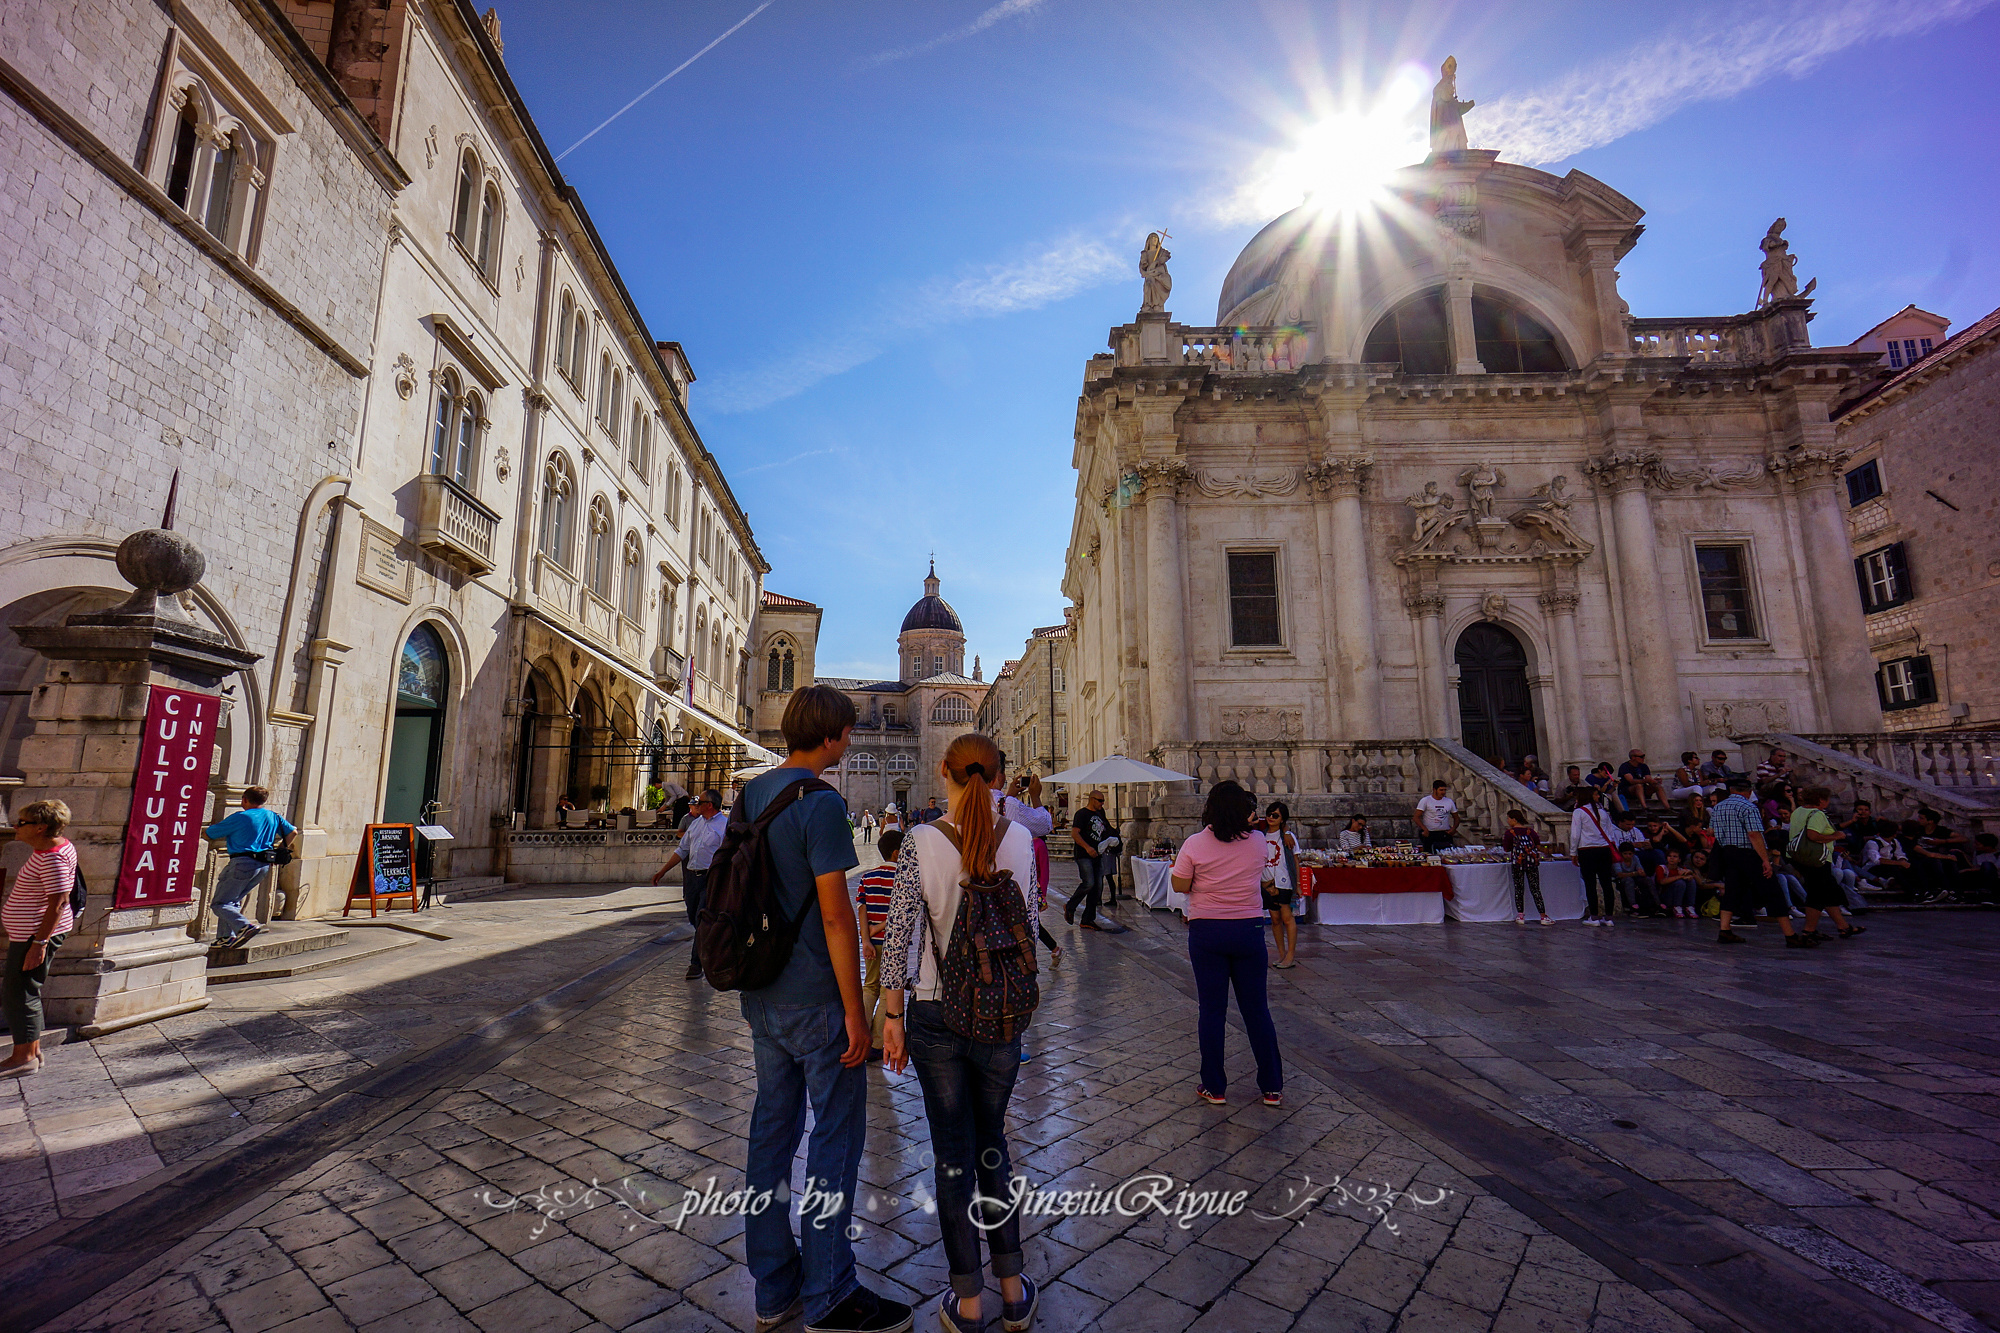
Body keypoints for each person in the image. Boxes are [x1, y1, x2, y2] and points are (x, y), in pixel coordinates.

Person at [734, 687, 908, 1333]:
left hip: (763, 994)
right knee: (834, 1139)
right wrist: (856, 1011)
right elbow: (838, 916)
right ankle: (830, 1289)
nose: (852, 739)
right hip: (814, 996)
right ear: (833, 734)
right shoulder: (823, 801)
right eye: (848, 731)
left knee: (770, 1134)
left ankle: (773, 1286)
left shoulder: (751, 793)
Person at [879, 733, 1039, 1333]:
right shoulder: (1022, 839)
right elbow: (1032, 915)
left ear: (943, 772)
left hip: (935, 1013)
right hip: (1000, 1015)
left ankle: (967, 1303)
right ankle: (1013, 1291)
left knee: (952, 1156)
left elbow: (899, 941)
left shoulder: (920, 841)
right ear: (999, 777)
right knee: (992, 1143)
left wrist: (891, 1020)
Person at [1171, 781, 1282, 1107]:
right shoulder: (1258, 841)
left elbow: (1180, 885)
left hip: (1207, 933)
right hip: (1248, 930)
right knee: (1257, 1010)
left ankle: (1214, 1085)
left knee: (1212, 1011)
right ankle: (1272, 1086)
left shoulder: (1194, 843)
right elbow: (1263, 874)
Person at [3, 799, 77, 1077]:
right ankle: (31, 1051)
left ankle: (23, 1058)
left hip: (34, 936)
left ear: (40, 827)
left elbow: (57, 902)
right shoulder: (52, 848)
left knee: (19, 993)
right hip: (30, 934)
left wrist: (39, 943)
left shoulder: (53, 857)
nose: (15, 827)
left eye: (22, 823)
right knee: (22, 990)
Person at [1712, 776, 1813, 947]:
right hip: (1748, 853)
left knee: (1732, 890)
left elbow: (1715, 831)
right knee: (1773, 889)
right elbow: (1754, 835)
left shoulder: (1718, 807)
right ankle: (1790, 934)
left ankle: (1725, 930)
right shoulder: (1748, 807)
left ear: (1731, 790)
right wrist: (1765, 860)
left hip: (1727, 852)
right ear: (1749, 791)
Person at [203, 786, 297, 950]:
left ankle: (244, 927)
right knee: (232, 901)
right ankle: (226, 938)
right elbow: (293, 832)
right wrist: (280, 848)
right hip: (263, 866)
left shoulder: (241, 817)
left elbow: (209, 834)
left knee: (220, 904)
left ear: (245, 799)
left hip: (242, 863)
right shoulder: (273, 816)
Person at [652, 789, 728, 980]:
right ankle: (710, 944)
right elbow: (682, 849)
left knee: (702, 919)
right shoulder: (695, 825)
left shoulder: (725, 826)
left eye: (700, 801)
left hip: (711, 878)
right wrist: (663, 871)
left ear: (709, 805)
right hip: (692, 878)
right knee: (694, 917)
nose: (696, 803)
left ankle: (696, 964)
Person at [1788, 786, 1862, 940]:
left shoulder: (1798, 812)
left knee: (1827, 891)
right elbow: (1813, 835)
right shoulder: (1817, 814)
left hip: (1801, 857)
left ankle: (1843, 926)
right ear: (1821, 800)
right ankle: (1809, 930)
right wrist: (1836, 836)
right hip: (1818, 859)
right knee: (1819, 893)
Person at [854, 830, 902, 1060]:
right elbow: (900, 913)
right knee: (887, 991)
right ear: (896, 853)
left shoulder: (868, 877)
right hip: (893, 944)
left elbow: (862, 908)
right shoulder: (903, 879)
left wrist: (866, 937)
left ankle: (859, 1035)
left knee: (869, 986)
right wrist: (879, 927)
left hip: (871, 944)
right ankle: (875, 1045)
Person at [1065, 790, 1116, 932]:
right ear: (1092, 799)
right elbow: (1075, 833)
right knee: (1089, 883)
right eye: (1100, 800)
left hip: (1097, 855)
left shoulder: (1101, 814)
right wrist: (1087, 848)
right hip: (1084, 854)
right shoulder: (1081, 814)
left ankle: (1088, 919)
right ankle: (1070, 906)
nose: (1102, 803)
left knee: (1097, 887)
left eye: (1103, 801)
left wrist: (1114, 838)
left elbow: (1105, 830)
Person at [1569, 790, 1620, 925]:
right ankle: (1609, 917)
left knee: (1590, 884)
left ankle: (1594, 916)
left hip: (1587, 850)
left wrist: (1573, 852)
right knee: (1606, 883)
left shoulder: (1579, 812)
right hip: (1604, 850)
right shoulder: (1603, 813)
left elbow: (1575, 835)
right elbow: (1611, 833)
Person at [1262, 801, 1301, 969]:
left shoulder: (1287, 837)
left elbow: (1295, 859)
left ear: (1282, 818)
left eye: (1275, 815)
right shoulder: (1260, 834)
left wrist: (1298, 883)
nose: (1271, 817)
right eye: (1269, 814)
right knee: (1275, 919)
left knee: (1287, 917)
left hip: (1284, 880)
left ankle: (1290, 955)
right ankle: (1281, 954)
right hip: (1267, 881)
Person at [1501, 809, 1550, 925]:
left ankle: (1520, 915)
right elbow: (1538, 845)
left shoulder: (1509, 833)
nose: (1507, 821)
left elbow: (1507, 848)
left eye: (1508, 818)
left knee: (1519, 889)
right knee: (1535, 889)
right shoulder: (1530, 832)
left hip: (1517, 863)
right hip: (1531, 863)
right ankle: (1543, 916)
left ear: (1514, 819)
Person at [1413, 780, 1460, 852]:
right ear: (1434, 790)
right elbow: (1416, 817)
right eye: (1441, 790)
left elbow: (1456, 817)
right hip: (1430, 833)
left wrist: (1453, 828)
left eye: (1444, 790)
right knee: (1430, 853)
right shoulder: (1426, 800)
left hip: (1445, 833)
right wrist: (1424, 829)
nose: (1443, 792)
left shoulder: (1449, 801)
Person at [1655, 851, 1698, 918]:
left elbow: (1691, 877)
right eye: (1670, 856)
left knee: (1691, 881)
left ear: (1679, 860)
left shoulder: (1682, 869)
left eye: (1674, 857)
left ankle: (1689, 906)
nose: (1671, 858)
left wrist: (1690, 873)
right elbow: (1662, 882)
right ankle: (1676, 907)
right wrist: (1680, 876)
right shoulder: (1662, 868)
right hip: (1665, 896)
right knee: (1680, 882)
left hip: (1680, 895)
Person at [1668, 752, 1707, 816]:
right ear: (1689, 760)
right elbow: (1686, 784)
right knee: (1697, 787)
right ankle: (1697, 808)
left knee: (1712, 787)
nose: (1698, 759)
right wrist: (1701, 783)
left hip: (1695, 789)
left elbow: (1701, 783)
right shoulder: (1681, 770)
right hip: (1679, 790)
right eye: (1696, 758)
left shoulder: (1697, 771)